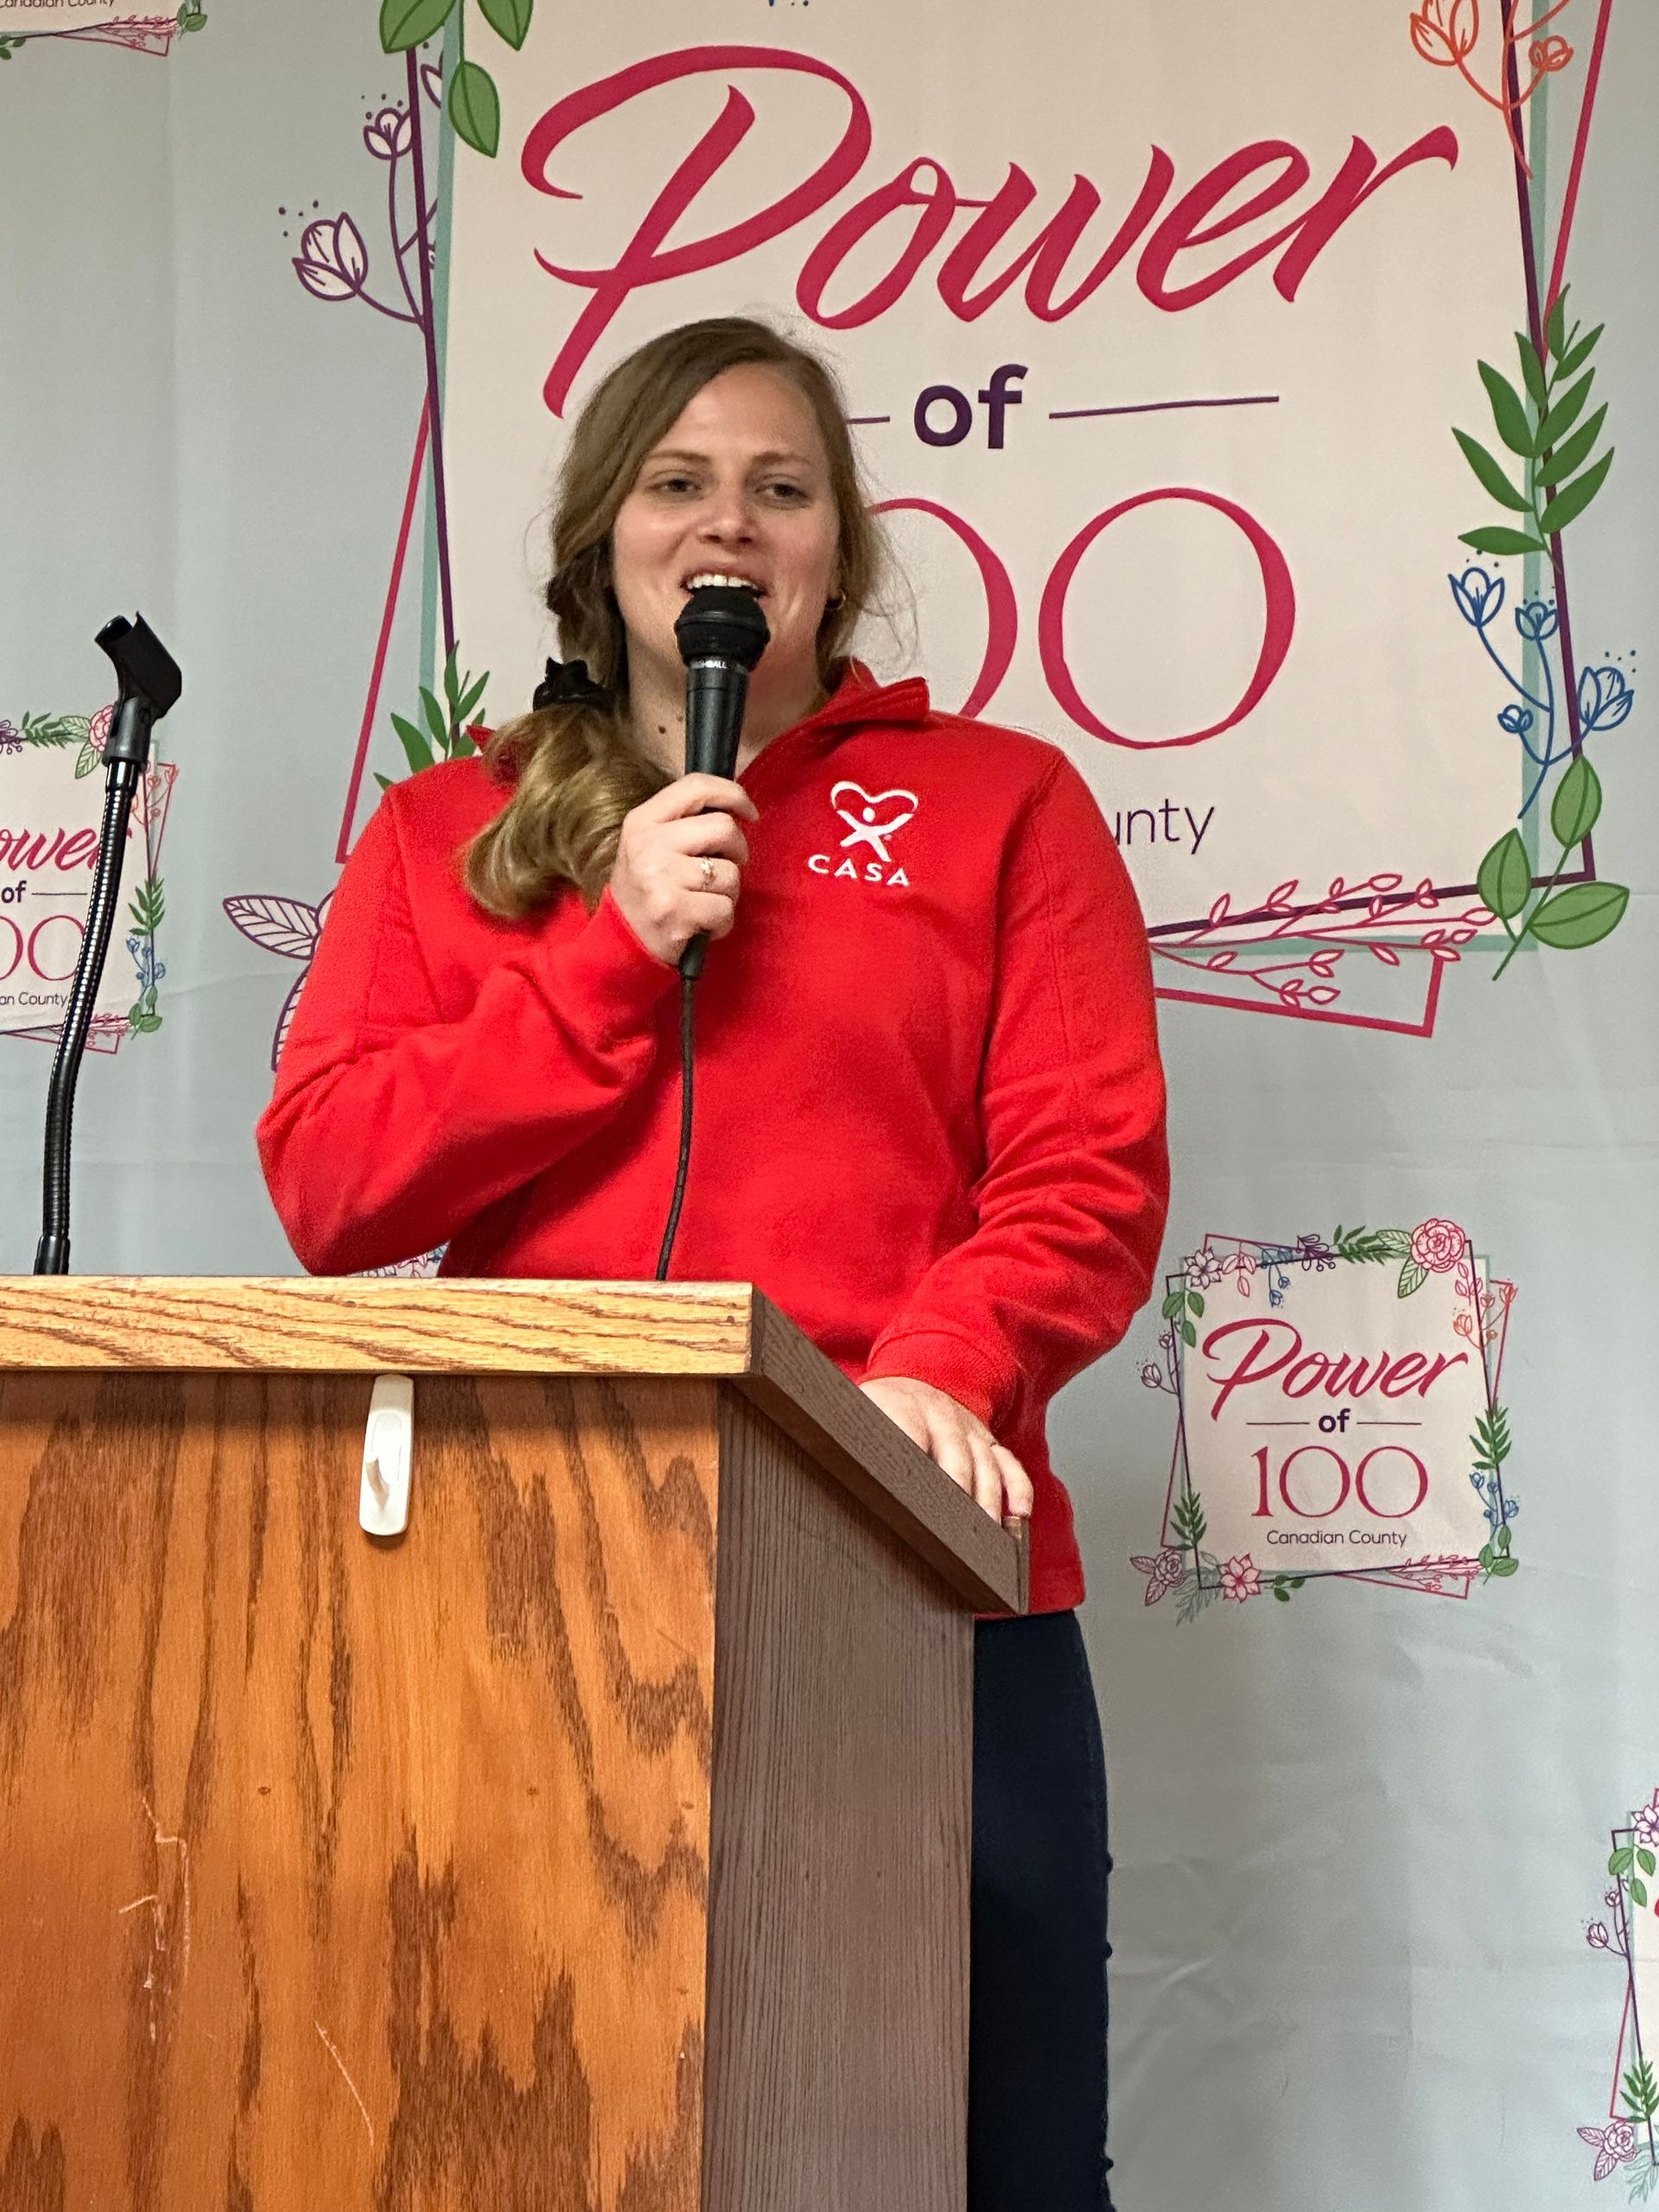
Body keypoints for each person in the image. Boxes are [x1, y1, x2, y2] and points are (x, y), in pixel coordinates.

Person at [257, 315, 1167, 2210]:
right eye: (678, 482)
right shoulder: (451, 829)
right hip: (529, 1573)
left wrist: (931, 1365)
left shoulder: (1009, 806)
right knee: (533, 2120)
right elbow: (331, 1182)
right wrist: (606, 949)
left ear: (841, 542)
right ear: (606, 535)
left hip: (915, 1561)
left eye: (781, 484)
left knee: (980, 2145)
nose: (727, 523)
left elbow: (1085, 1174)